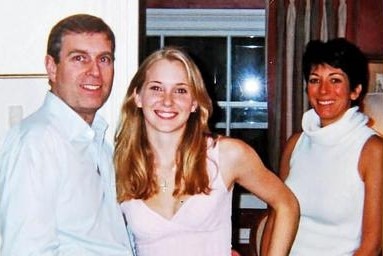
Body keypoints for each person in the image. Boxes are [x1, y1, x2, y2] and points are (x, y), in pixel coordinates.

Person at [114, 46, 299, 256]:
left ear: (194, 102)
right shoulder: (118, 166)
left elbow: (286, 203)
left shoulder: (227, 154)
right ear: (138, 97)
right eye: (156, 88)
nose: (167, 100)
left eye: (181, 90)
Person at [0, 14, 134, 255]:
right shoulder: (36, 142)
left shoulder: (99, 144)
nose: (94, 71)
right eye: (79, 58)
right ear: (52, 67)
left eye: (104, 59)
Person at [263, 38, 383, 255]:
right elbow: (275, 218)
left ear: (355, 91)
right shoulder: (295, 143)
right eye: (315, 80)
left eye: (335, 80)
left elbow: (371, 245)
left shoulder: (372, 150)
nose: (323, 91)